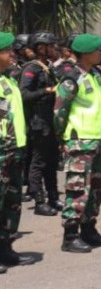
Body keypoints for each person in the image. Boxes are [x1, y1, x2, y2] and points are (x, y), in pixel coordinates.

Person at [53, 34, 101, 253]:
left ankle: (89, 228)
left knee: (97, 187)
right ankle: (70, 235)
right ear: (86, 53)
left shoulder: (94, 75)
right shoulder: (71, 78)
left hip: (96, 139)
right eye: (98, 50)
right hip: (79, 141)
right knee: (77, 188)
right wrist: (62, 139)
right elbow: (59, 111)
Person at [0, 32, 35, 271]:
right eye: (7, 50)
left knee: (12, 203)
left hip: (14, 149)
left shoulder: (9, 79)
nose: (13, 54)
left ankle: (6, 249)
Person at [20, 32, 62, 216]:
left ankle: (53, 197)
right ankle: (39, 201)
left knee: (52, 161)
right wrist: (46, 90)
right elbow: (24, 94)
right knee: (38, 162)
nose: (55, 49)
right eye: (51, 46)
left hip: (50, 120)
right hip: (38, 122)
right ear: (41, 48)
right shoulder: (32, 68)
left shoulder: (47, 67)